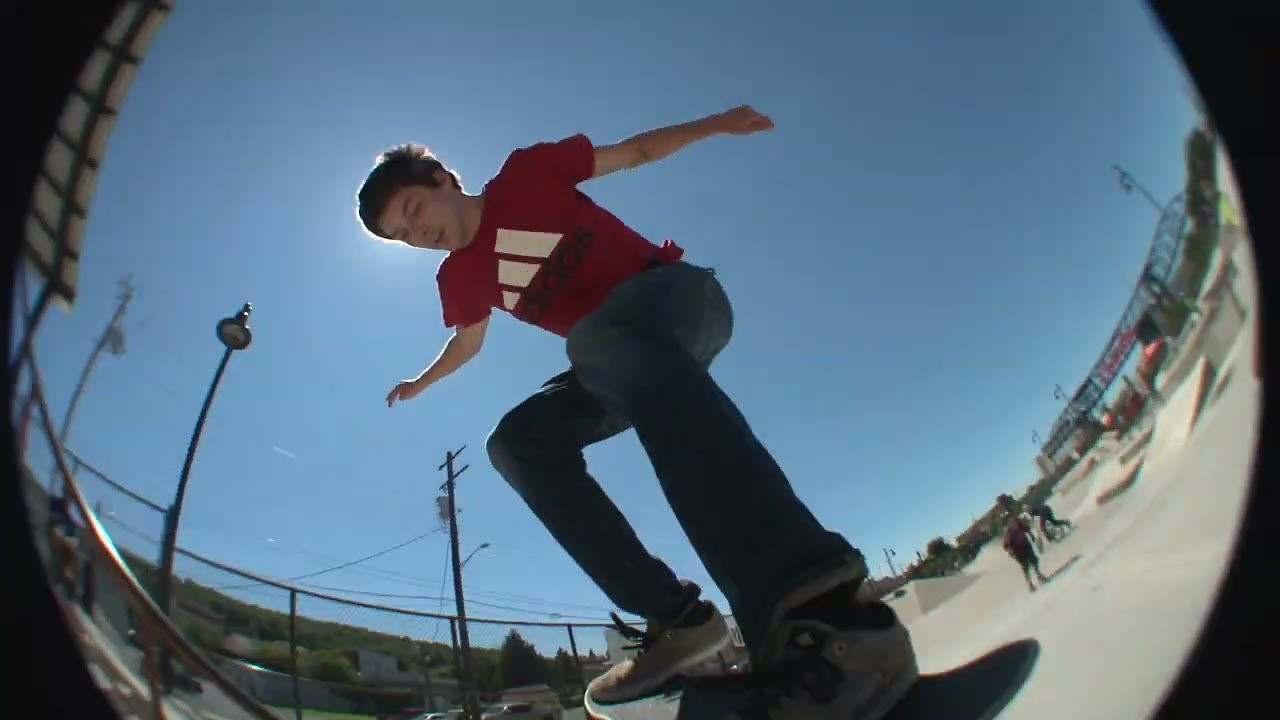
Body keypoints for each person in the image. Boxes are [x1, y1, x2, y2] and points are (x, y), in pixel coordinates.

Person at [357, 105, 918, 718]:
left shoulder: (526, 174)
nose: (419, 234)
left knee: (595, 340)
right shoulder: (457, 278)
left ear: (441, 180)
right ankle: (679, 621)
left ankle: (821, 615)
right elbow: (468, 341)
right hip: (619, 364)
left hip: (678, 303)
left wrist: (717, 123)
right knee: (517, 443)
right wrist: (420, 381)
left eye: (414, 213)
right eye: (404, 237)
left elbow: (635, 152)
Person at [1004, 514, 1050, 591]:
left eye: (1013, 521)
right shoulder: (1008, 532)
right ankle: (1030, 584)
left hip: (1026, 546)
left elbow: (1028, 530)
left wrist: (1033, 538)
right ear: (1008, 523)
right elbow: (1006, 546)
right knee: (1026, 567)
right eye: (1011, 522)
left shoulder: (1020, 525)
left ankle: (1039, 575)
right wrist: (1011, 551)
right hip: (1018, 551)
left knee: (1034, 561)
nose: (1013, 523)